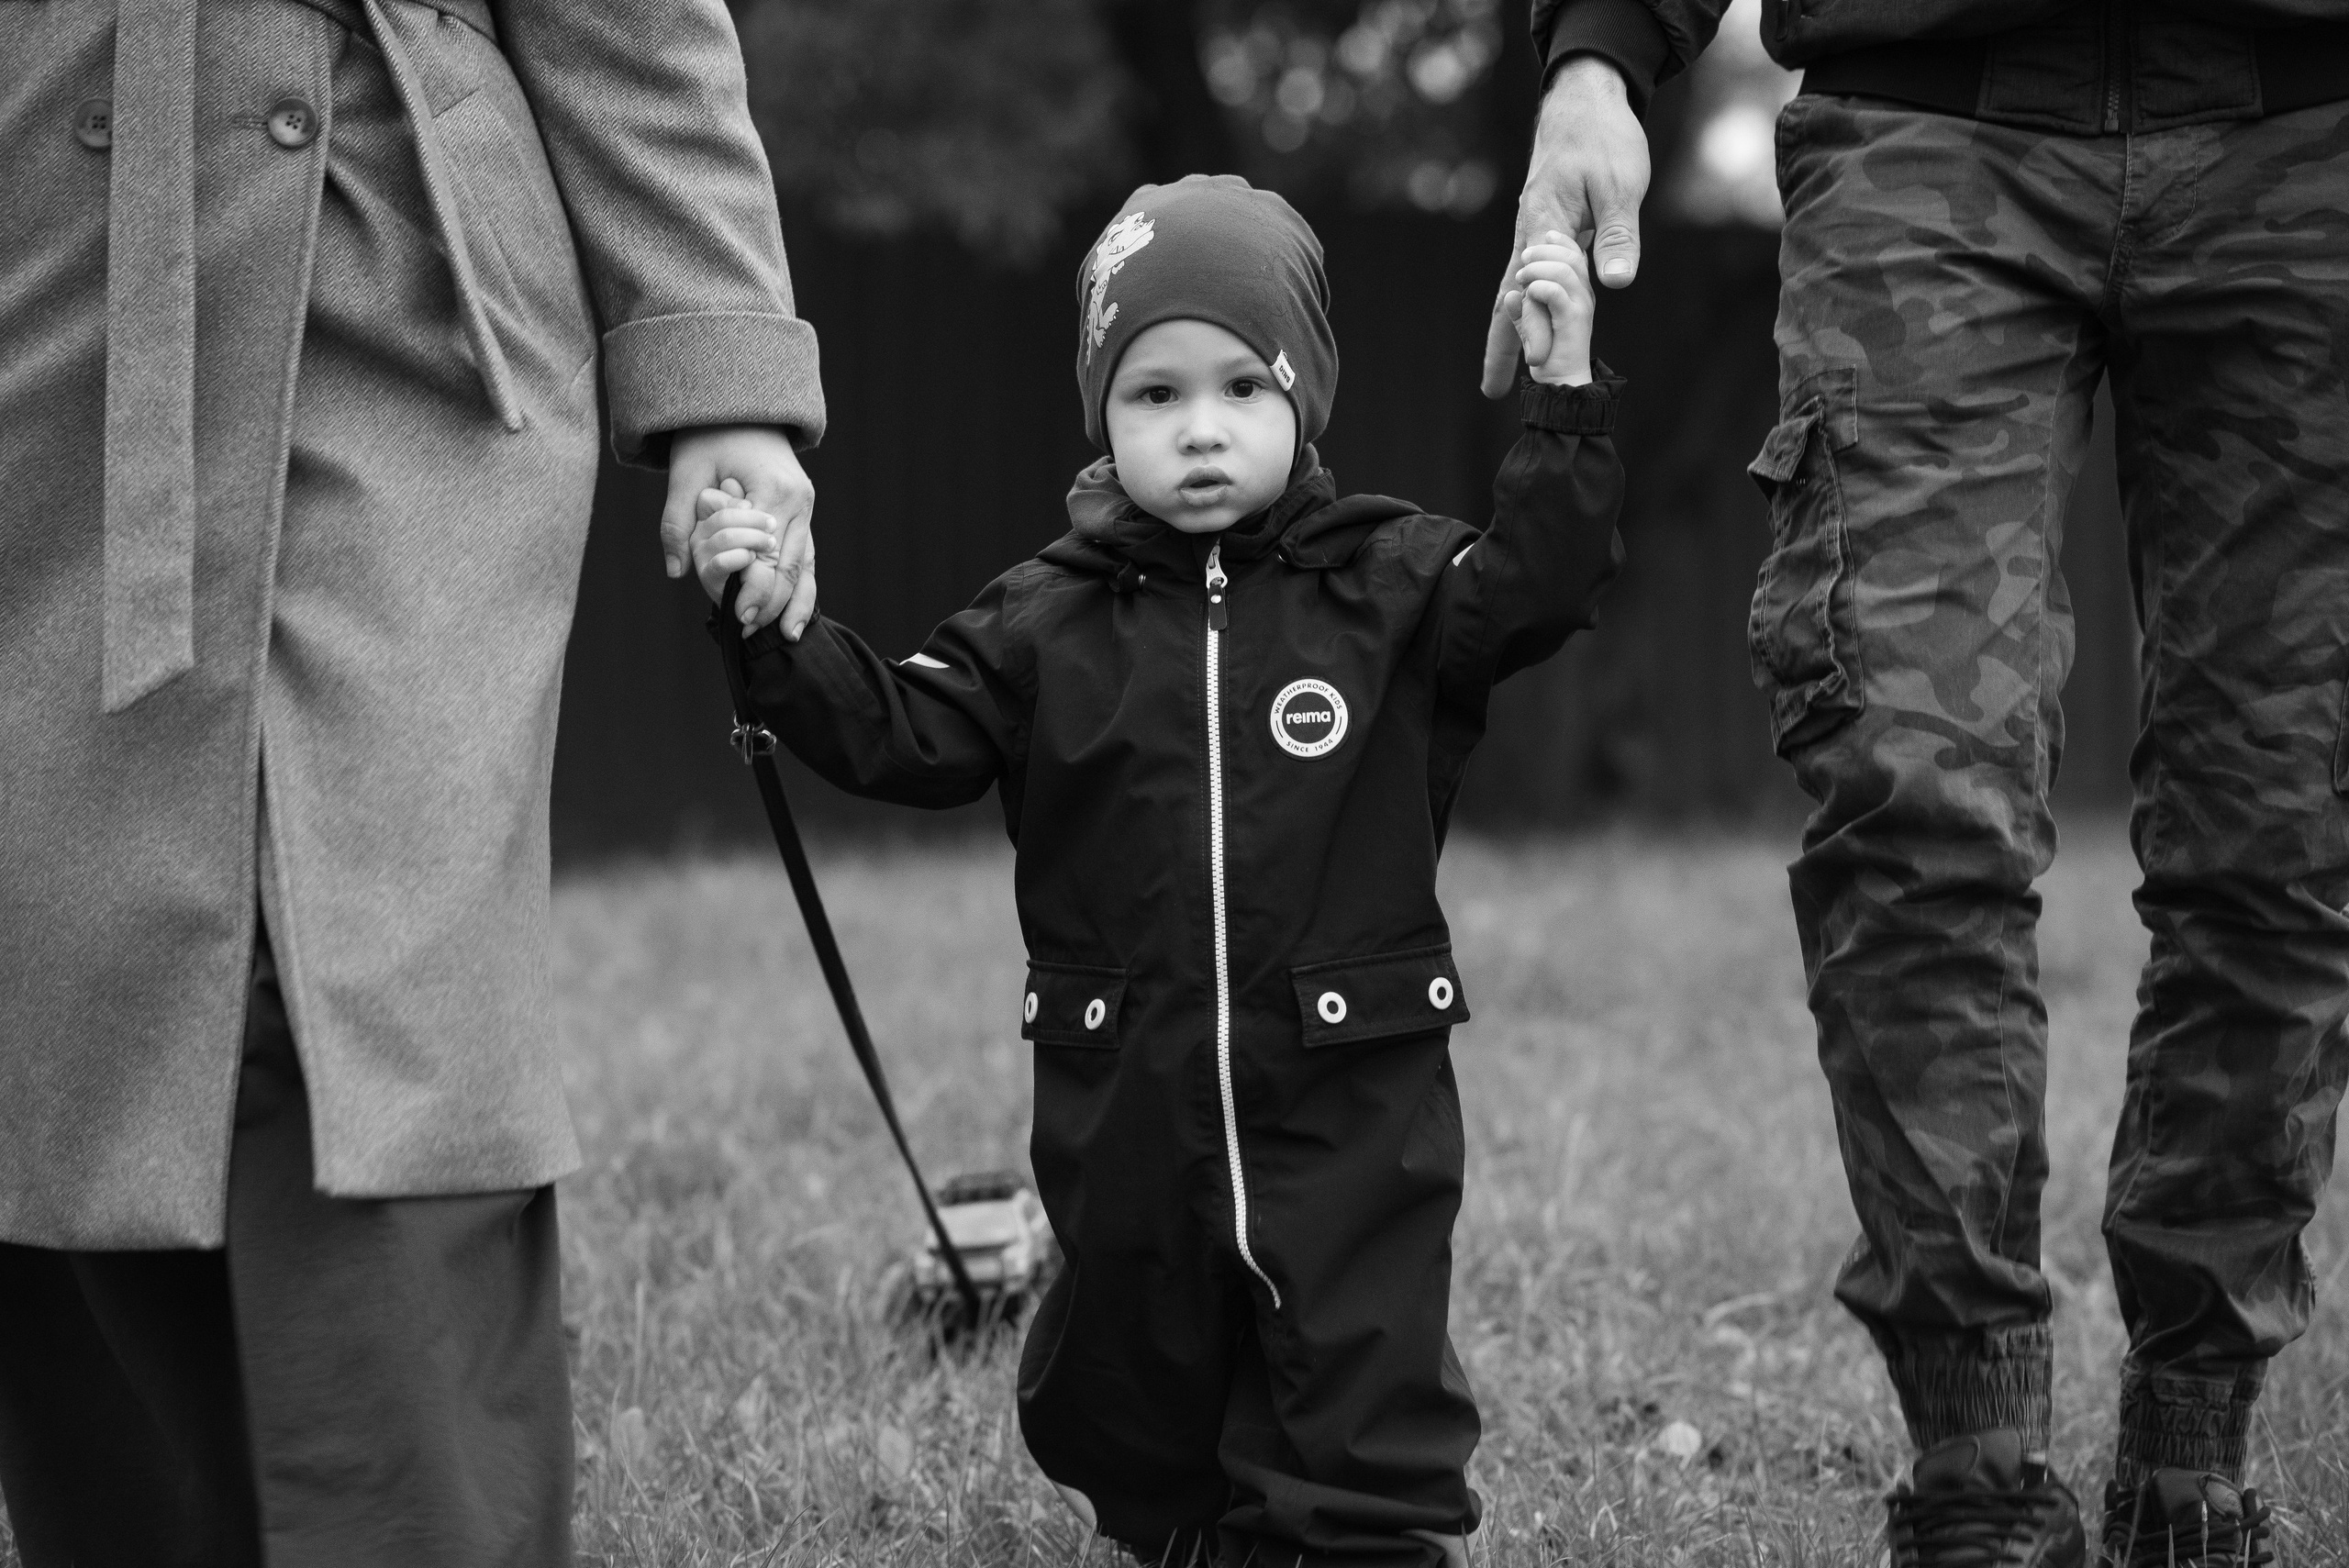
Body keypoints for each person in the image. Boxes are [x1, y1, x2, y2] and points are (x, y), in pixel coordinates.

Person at [1493, 3, 2349, 1563]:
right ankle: (1980, 1469)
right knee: (1911, 795)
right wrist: (1596, 56)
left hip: (2311, 135)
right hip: (1928, 128)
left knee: (2290, 820)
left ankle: (2194, 1447)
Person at [690, 172, 1621, 1567]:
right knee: (1130, 1354)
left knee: (1359, 1343)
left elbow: (1546, 580)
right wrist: (772, 634)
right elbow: (903, 731)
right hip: (1126, 1081)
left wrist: (1564, 394)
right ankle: (1190, 1525)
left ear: (1304, 397)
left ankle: (1356, 1538)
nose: (1201, 428)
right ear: (1100, 414)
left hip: (1348, 1078)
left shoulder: (1390, 584)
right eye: (1155, 393)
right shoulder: (1043, 618)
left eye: (1245, 386)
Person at [0, 1, 821, 1562]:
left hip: (388, 303)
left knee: (367, 990)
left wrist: (721, 356)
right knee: (71, 1011)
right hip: (44, 276)